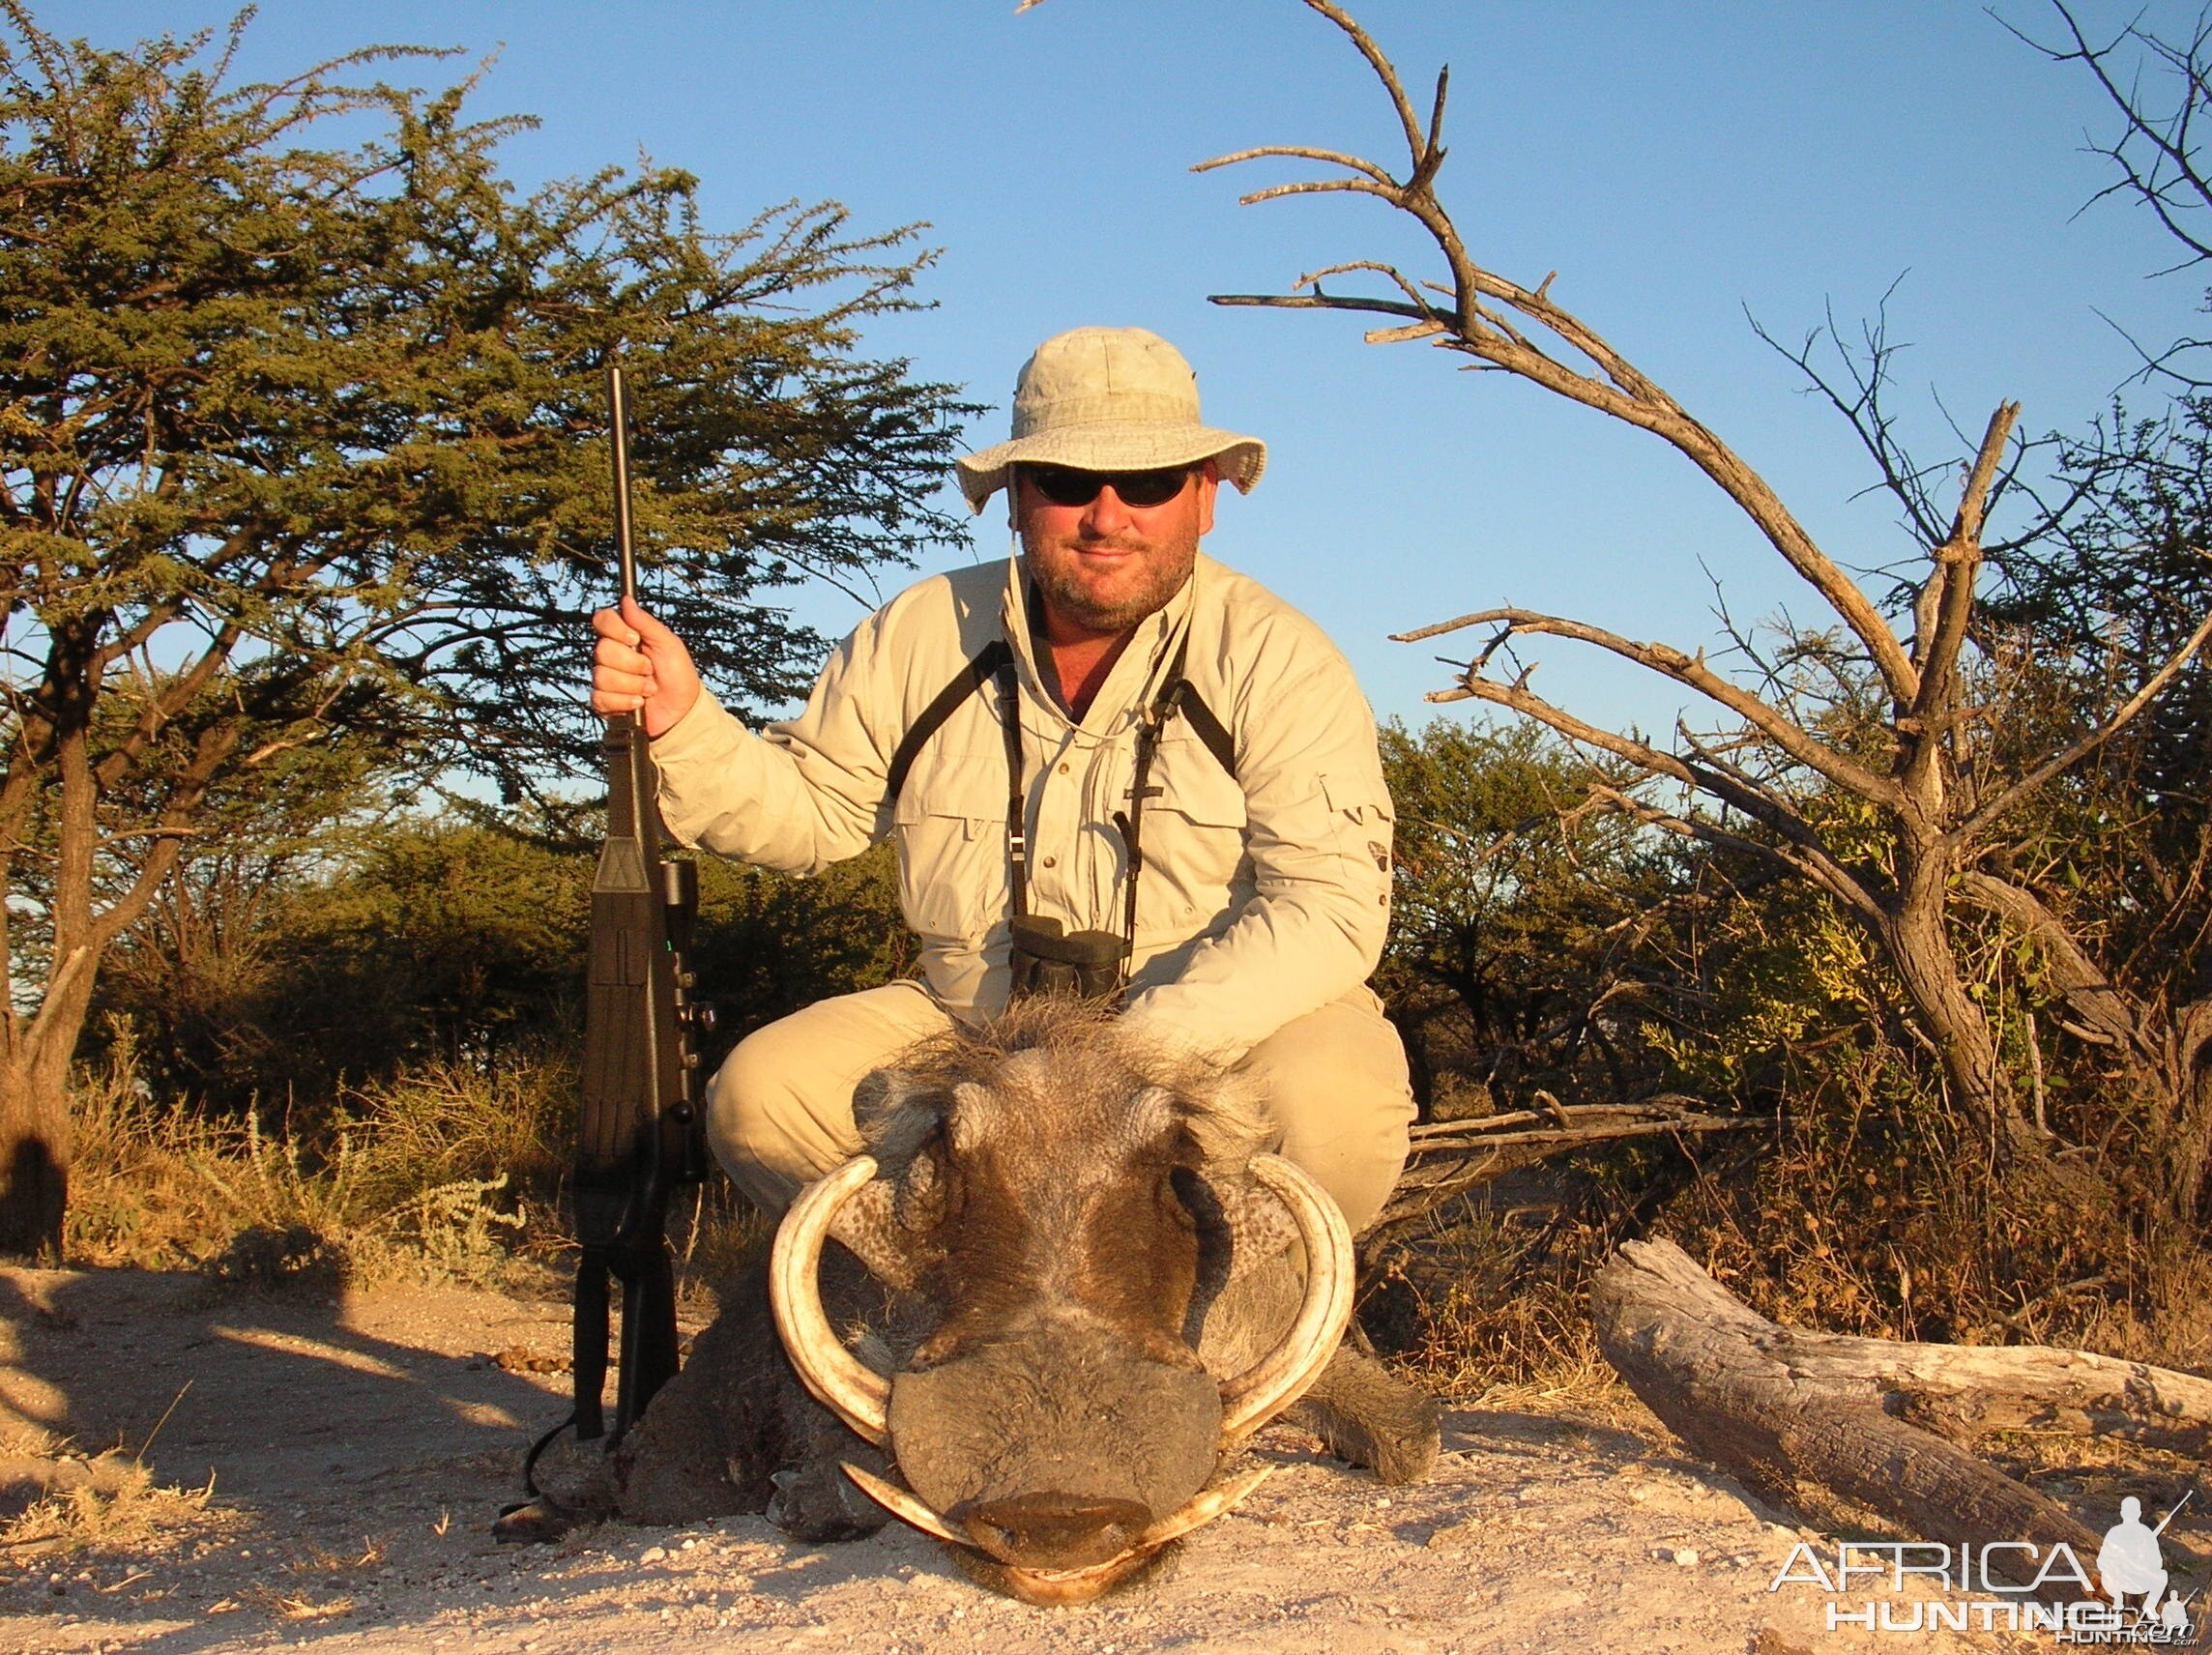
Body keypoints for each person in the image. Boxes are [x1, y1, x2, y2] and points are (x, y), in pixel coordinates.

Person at [590, 326, 1414, 1232]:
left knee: (1331, 1110)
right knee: (762, 1096)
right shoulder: (915, 632)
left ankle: (1228, 1334)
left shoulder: (1278, 657)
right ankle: (931, 1315)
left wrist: (1133, 1058)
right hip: (972, 1037)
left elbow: (1328, 909)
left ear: (1205, 498)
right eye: (1064, 483)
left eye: (1145, 483)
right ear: (1015, 499)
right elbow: (813, 814)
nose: (1107, 517)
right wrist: (683, 723)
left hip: (1203, 1048)